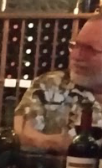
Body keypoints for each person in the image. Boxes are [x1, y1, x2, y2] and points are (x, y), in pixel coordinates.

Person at [15, 14, 102, 153]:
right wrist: (60, 144)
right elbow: (22, 134)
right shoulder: (50, 85)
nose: (76, 56)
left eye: (89, 50)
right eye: (75, 46)